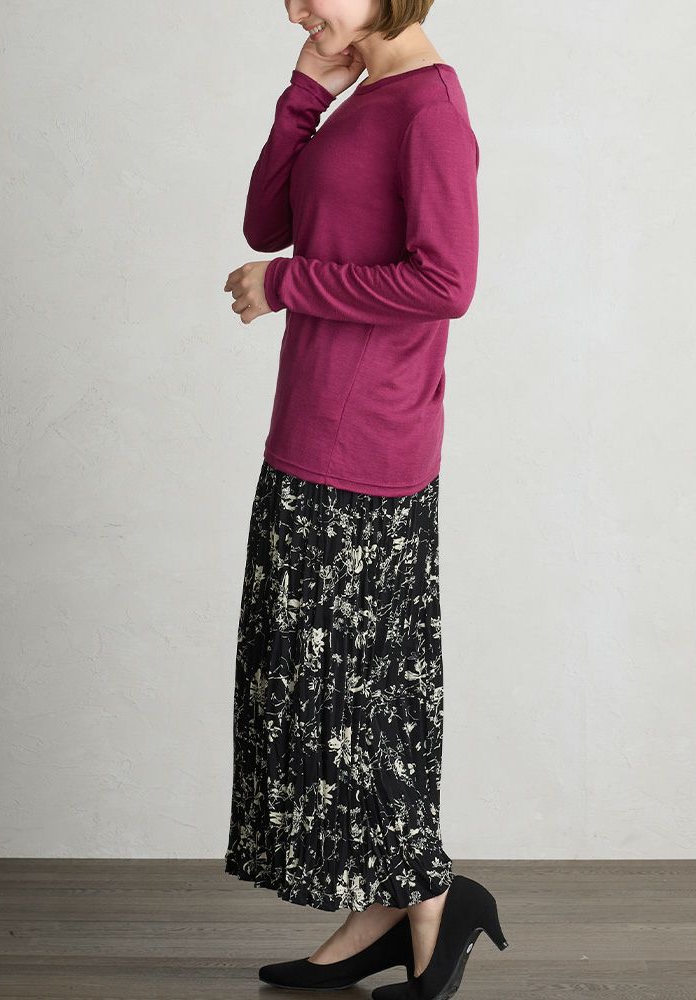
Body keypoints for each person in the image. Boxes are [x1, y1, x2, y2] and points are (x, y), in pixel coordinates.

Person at [223, 2, 508, 996]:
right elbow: (268, 224)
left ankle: (428, 894)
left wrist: (289, 287)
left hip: (368, 438)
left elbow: (445, 281)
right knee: (319, 687)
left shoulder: (429, 108)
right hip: (312, 423)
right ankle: (389, 902)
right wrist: (304, 95)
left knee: (358, 692)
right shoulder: (365, 95)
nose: (296, 6)